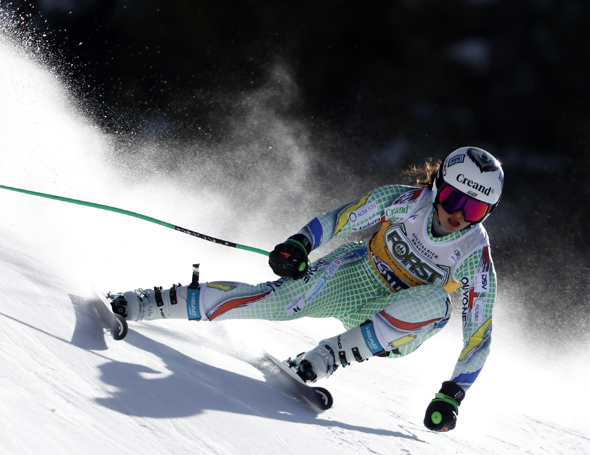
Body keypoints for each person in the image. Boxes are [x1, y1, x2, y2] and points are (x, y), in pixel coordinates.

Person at [109, 146, 503, 432]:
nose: (457, 214)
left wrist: (453, 393)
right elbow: (342, 219)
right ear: (437, 187)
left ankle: (326, 358)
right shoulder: (403, 201)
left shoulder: (475, 256)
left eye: (474, 209)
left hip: (395, 323)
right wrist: (299, 244)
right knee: (273, 301)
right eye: (453, 198)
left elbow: (479, 334)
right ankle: (146, 303)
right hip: (355, 276)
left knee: (437, 303)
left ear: (487, 213)